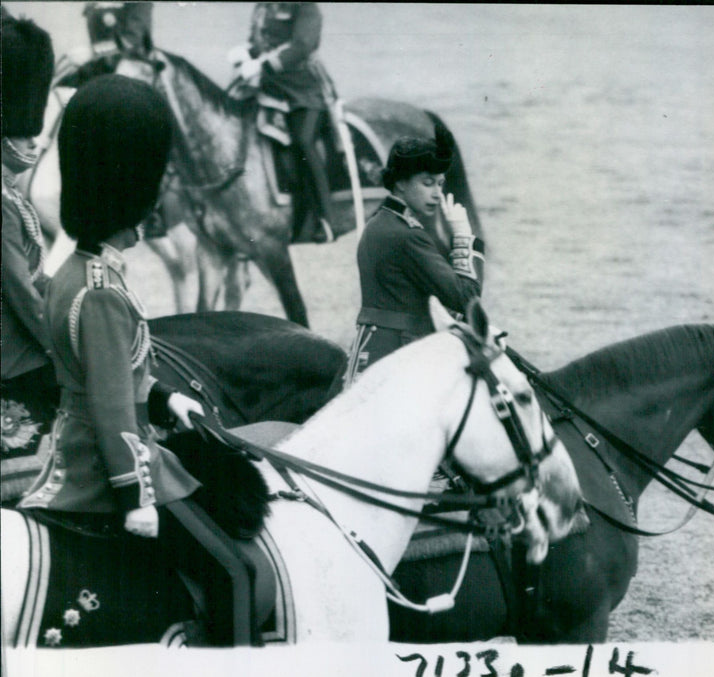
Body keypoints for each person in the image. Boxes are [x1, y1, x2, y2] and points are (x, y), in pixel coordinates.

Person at [18, 75, 258, 646]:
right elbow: (108, 410)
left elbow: (115, 374)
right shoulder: (100, 292)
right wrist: (135, 497)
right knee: (235, 575)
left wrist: (164, 395)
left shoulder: (75, 270)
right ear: (129, 196)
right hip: (102, 475)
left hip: (89, 452)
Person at [342, 125, 485, 386]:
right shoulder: (407, 235)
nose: (436, 194)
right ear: (400, 183)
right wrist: (464, 236)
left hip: (374, 349)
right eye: (427, 183)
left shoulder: (381, 223)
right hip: (401, 354)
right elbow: (467, 298)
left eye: (440, 184)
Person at [1, 10, 60, 505]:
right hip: (15, 358)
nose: (33, 142)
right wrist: (63, 341)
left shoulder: (8, 192)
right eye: (24, 134)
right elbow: (22, 290)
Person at [231, 2, 336, 243]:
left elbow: (302, 45)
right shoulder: (262, 6)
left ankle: (326, 219)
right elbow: (258, 42)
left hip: (303, 90)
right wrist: (246, 52)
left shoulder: (305, 7)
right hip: (267, 87)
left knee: (304, 142)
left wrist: (262, 64)